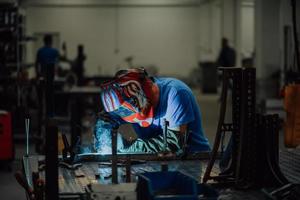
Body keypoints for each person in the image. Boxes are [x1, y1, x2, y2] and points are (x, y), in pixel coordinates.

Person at [95, 68, 210, 155]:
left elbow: (173, 144)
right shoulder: (125, 101)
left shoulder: (176, 94)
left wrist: (126, 147)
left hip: (193, 158)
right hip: (154, 159)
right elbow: (105, 120)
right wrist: (105, 139)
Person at [35, 34, 59, 117]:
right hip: (51, 78)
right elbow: (56, 66)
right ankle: (50, 114)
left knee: (41, 98)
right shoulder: (55, 52)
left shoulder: (40, 51)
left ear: (44, 41)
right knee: (50, 97)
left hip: (42, 77)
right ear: (51, 41)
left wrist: (38, 76)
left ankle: (41, 114)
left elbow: (36, 65)